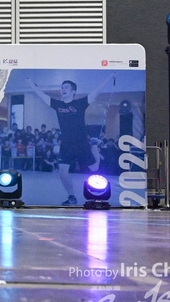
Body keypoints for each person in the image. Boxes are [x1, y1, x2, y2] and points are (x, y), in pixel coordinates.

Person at [26, 73, 116, 206]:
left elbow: (97, 91)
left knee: (94, 168)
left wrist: (109, 77)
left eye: (66, 87)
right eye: (62, 87)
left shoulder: (80, 103)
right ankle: (71, 197)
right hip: (66, 144)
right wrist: (30, 83)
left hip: (82, 143)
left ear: (73, 91)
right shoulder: (57, 104)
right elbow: (41, 95)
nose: (63, 89)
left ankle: (94, 147)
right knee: (62, 171)